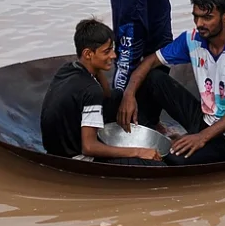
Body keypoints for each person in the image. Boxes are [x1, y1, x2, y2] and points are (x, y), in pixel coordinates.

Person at [117, 0, 225, 166]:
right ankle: (146, 129)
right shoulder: (193, 39)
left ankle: (193, 144)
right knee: (153, 77)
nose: (200, 24)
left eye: (207, 18)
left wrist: (201, 137)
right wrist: (128, 95)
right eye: (196, 17)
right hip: (204, 118)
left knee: (172, 158)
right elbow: (150, 61)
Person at [39, 18, 164, 164]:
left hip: (55, 147)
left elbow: (107, 95)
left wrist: (97, 69)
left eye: (112, 49)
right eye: (106, 51)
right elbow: (89, 147)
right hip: (76, 157)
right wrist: (139, 151)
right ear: (88, 54)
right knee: (155, 164)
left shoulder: (67, 68)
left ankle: (145, 129)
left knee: (118, 96)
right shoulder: (91, 91)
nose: (113, 55)